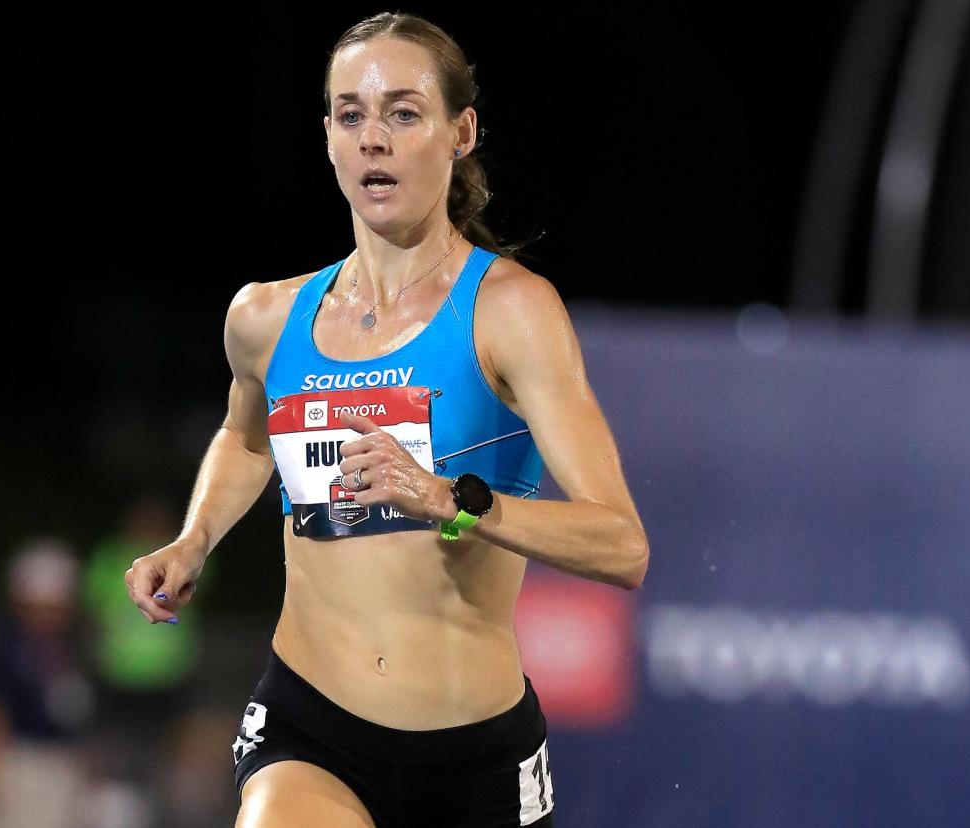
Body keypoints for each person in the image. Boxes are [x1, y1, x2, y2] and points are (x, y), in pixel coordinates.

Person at [124, 12, 649, 828]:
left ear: (461, 131)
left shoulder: (511, 312)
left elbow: (623, 545)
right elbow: (244, 436)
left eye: (404, 112)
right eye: (351, 114)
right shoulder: (264, 316)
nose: (375, 138)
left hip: (473, 755)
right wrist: (193, 541)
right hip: (309, 729)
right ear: (328, 137)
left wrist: (454, 501)